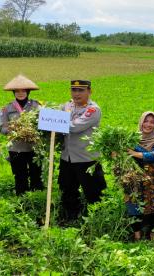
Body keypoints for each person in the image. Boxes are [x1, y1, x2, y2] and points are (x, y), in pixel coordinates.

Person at [58, 80, 107, 222]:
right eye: (74, 90)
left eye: (81, 90)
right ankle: (71, 218)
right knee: (67, 190)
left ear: (89, 91)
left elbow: (74, 127)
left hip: (86, 159)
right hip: (67, 157)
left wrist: (54, 123)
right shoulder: (67, 105)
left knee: (93, 192)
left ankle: (96, 221)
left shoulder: (93, 110)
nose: (76, 93)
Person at [127, 111, 154, 240]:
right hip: (134, 176)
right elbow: (121, 152)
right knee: (133, 203)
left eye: (152, 122)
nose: (148, 124)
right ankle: (137, 234)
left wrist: (135, 153)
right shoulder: (132, 137)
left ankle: (153, 233)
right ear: (141, 122)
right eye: (146, 121)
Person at [0, 75, 43, 195]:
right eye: (17, 91)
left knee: (36, 175)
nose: (20, 93)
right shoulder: (7, 108)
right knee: (20, 176)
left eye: (23, 90)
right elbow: (2, 128)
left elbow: (44, 125)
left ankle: (37, 198)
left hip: (35, 148)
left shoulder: (37, 106)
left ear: (28, 91)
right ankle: (22, 200)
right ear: (13, 92)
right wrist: (13, 130)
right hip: (16, 148)